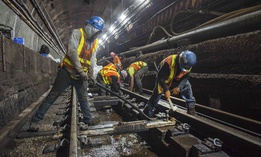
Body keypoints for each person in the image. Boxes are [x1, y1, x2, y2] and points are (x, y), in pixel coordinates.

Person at [28, 16, 105, 131]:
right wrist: (80, 71)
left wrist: (90, 74)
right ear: (91, 28)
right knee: (52, 96)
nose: (96, 35)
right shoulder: (77, 33)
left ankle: (88, 120)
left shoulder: (95, 42)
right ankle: (34, 121)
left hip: (80, 75)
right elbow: (72, 52)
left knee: (83, 98)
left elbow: (92, 59)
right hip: (67, 72)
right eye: (96, 31)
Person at [143, 50, 197, 117]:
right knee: (158, 92)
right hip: (163, 77)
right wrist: (166, 89)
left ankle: (191, 108)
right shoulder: (169, 61)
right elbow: (161, 77)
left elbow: (185, 77)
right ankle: (148, 110)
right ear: (180, 60)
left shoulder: (188, 65)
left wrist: (179, 88)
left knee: (187, 85)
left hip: (176, 78)